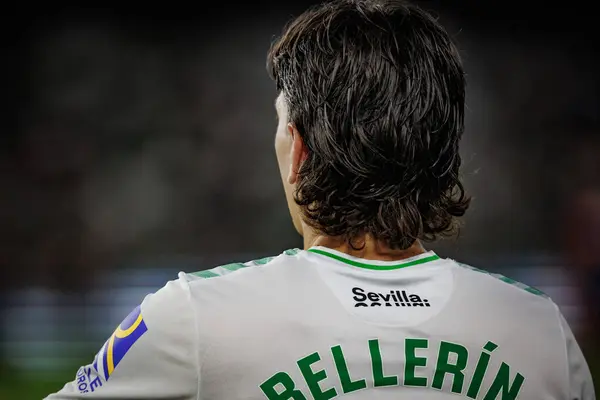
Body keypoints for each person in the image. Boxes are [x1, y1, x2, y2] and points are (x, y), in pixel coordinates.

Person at [45, 0, 595, 398]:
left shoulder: (192, 319)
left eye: (280, 124)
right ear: (443, 150)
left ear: (300, 151)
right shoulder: (541, 331)